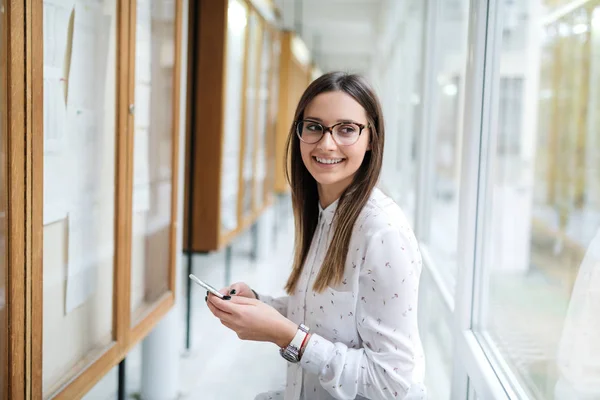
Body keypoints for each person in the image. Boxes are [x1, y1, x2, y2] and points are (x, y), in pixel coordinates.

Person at [206, 71, 427, 399]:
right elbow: (328, 315)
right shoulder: (322, 211)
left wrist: (287, 337)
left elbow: (391, 383)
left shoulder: (383, 234)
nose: (326, 143)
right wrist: (258, 304)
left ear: (371, 140)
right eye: (314, 127)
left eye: (347, 129)